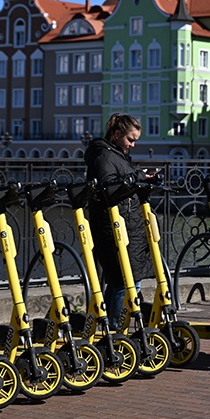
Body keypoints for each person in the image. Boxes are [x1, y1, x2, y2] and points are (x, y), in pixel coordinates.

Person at [83, 113, 152, 330]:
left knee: (125, 280)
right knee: (122, 280)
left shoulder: (117, 154)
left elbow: (122, 181)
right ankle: (113, 330)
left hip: (126, 224)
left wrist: (141, 176)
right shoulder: (103, 156)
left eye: (135, 141)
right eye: (130, 139)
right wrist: (136, 177)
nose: (132, 144)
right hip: (111, 225)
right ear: (116, 134)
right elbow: (109, 185)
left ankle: (113, 327)